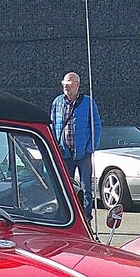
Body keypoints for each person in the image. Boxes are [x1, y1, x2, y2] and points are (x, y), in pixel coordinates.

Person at [50, 72, 102, 225]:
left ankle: (86, 218)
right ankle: (67, 217)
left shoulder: (88, 103)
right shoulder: (57, 102)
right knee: (65, 187)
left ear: (77, 85)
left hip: (83, 153)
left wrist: (90, 148)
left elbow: (96, 126)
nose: (66, 86)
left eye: (69, 83)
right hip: (64, 153)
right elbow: (52, 125)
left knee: (86, 188)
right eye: (64, 83)